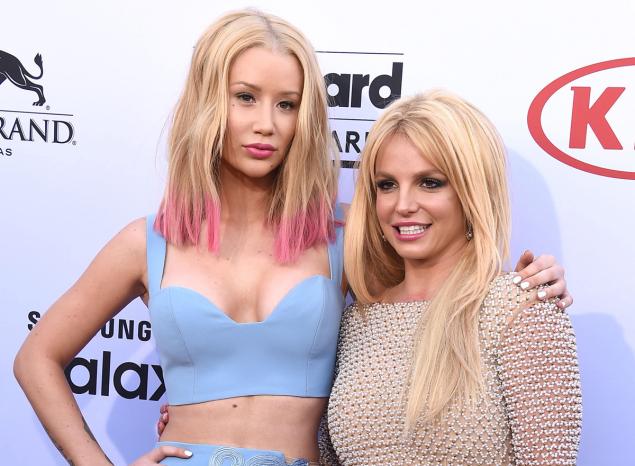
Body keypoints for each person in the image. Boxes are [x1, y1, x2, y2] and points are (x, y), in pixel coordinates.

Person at [13, 10, 572, 466]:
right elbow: (37, 356)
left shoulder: (348, 231)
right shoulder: (147, 242)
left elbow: (434, 297)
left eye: (287, 104)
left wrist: (531, 287)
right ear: (209, 102)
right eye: (246, 97)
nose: (267, 124)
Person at [319, 90, 582, 465]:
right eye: (387, 184)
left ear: (471, 191)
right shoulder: (356, 322)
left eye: (430, 182)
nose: (403, 205)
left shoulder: (521, 307)